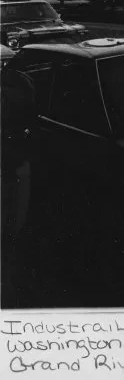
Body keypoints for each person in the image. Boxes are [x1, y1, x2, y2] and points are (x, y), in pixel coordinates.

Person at [1, 67, 37, 302]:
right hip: (16, 165)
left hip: (12, 165)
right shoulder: (21, 83)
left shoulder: (16, 84)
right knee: (13, 229)